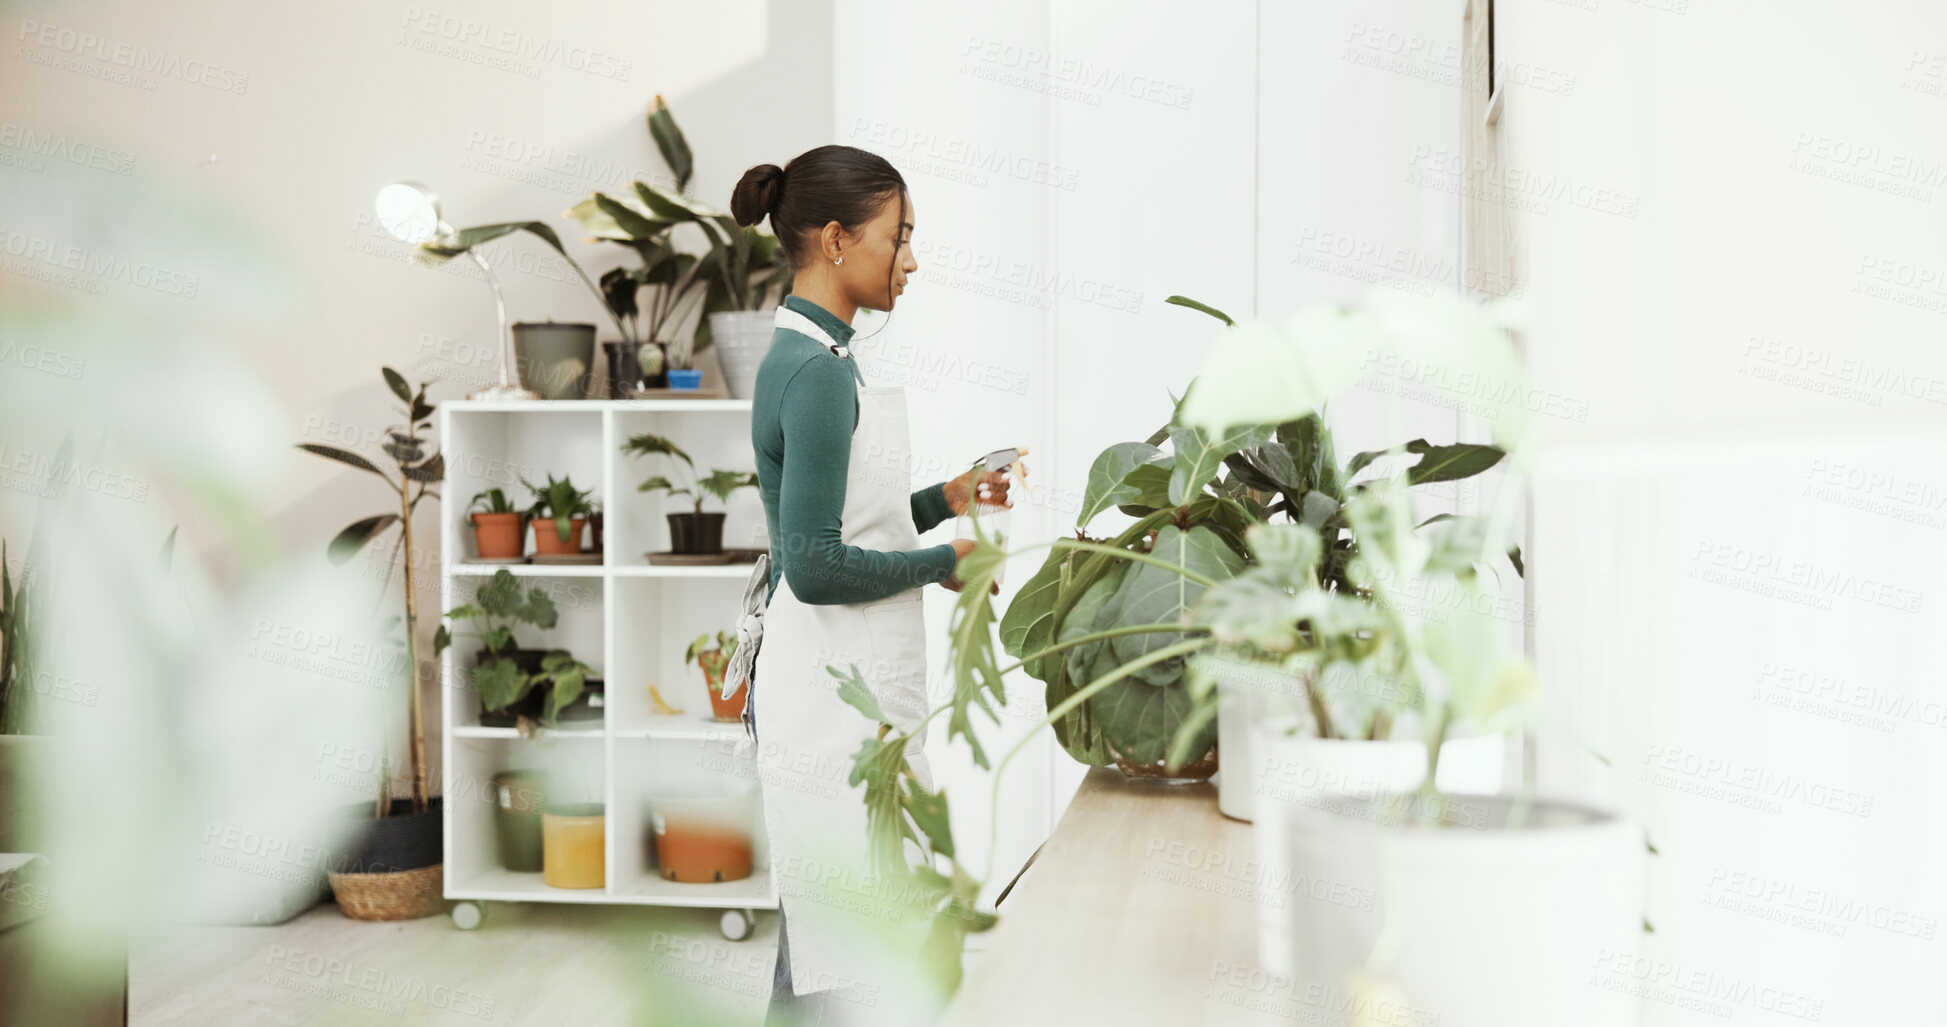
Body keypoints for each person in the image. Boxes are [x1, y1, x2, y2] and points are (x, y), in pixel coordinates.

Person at [728, 145, 1011, 1025]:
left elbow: (852, 515)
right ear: (837, 238)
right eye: (901, 238)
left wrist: (948, 496)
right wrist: (948, 564)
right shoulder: (814, 375)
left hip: (835, 675)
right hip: (826, 686)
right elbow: (813, 564)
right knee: (840, 940)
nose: (912, 261)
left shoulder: (821, 355)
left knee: (832, 933)